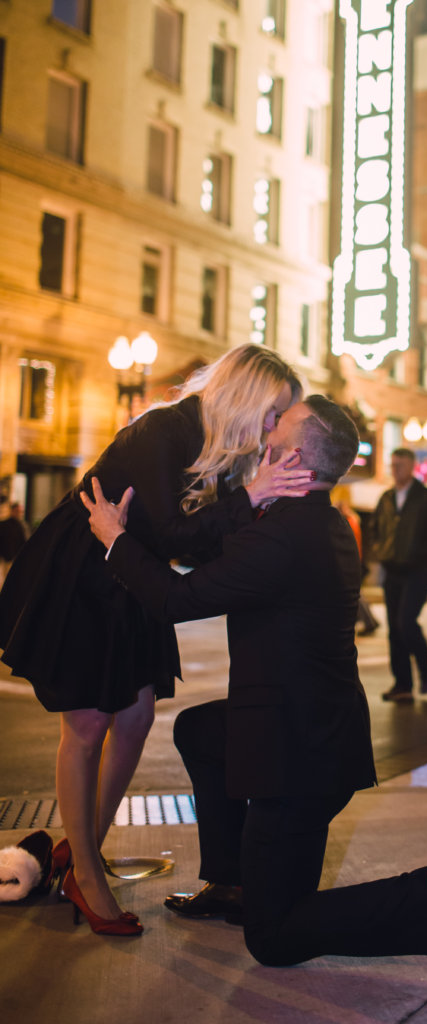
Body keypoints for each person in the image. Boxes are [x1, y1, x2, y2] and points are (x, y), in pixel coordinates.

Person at [81, 395, 427, 972]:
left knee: (274, 936)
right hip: (309, 736)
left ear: (297, 452)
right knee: (202, 731)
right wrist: (245, 495)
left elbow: (175, 599)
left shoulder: (285, 537)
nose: (269, 422)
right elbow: (212, 548)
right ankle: (233, 882)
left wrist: (114, 538)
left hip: (298, 764)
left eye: (281, 419)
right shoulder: (304, 522)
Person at [0, 343, 312, 936]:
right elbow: (172, 532)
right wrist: (251, 499)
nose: (274, 428)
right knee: (88, 725)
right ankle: (86, 870)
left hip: (130, 576)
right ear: (245, 398)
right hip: (85, 571)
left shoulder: (218, 452)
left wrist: (258, 518)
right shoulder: (164, 431)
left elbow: (195, 545)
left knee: (137, 717)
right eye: (273, 413)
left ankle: (80, 850)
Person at [372, 448, 427, 702]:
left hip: (419, 570)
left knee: (406, 623)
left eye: (401, 465)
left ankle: (425, 669)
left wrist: (420, 554)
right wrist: (380, 550)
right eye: (393, 465)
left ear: (413, 467)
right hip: (392, 569)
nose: (396, 470)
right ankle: (403, 685)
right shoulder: (386, 498)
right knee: (394, 629)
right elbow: (375, 529)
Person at [335, 498, 380, 636]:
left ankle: (368, 621)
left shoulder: (347, 521)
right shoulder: (352, 520)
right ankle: (369, 621)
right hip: (352, 561)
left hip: (348, 562)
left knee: (353, 595)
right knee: (355, 594)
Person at [0, 500, 28, 584]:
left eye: (21, 512)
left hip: (16, 557)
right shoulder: (4, 525)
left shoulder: (22, 525)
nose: (20, 514)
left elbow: (24, 541)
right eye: (18, 511)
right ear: (12, 511)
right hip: (7, 557)